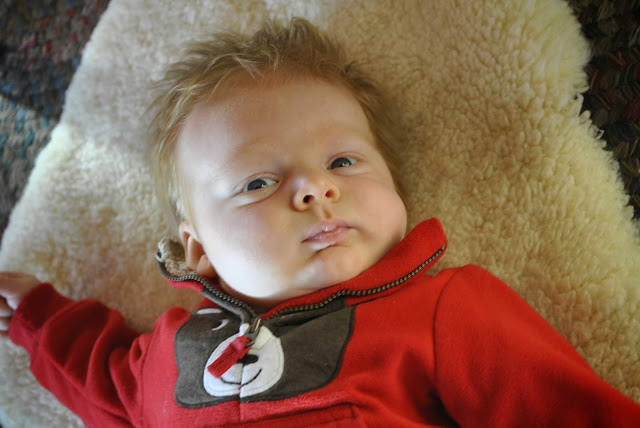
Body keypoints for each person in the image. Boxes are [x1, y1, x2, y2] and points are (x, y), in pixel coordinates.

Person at [1, 17, 639, 427]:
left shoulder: (439, 312)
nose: (314, 187)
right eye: (258, 183)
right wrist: (35, 314)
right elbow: (106, 380)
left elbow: (566, 412)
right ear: (198, 252)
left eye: (342, 161)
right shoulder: (171, 353)